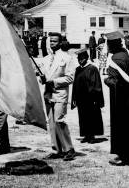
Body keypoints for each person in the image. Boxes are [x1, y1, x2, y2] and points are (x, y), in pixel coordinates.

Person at [104, 31, 129, 165]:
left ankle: (123, 155)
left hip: (120, 99)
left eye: (108, 44)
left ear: (113, 44)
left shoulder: (116, 59)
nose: (108, 47)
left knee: (121, 126)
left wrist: (106, 80)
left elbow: (114, 83)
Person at [37, 32, 76, 161]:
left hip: (60, 93)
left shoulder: (67, 58)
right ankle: (58, 149)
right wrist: (41, 78)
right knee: (52, 122)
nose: (52, 43)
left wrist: (54, 82)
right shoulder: (46, 59)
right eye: (51, 41)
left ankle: (69, 149)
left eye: (55, 41)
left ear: (60, 42)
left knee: (60, 120)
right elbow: (43, 76)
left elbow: (70, 78)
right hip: (48, 93)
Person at [71, 49, 104, 143]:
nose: (80, 60)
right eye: (78, 58)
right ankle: (86, 135)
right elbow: (75, 84)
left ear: (86, 58)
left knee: (91, 117)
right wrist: (74, 97)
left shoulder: (92, 68)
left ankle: (92, 136)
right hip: (81, 98)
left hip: (90, 98)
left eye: (82, 58)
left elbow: (96, 84)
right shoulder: (78, 69)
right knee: (82, 117)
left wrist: (95, 97)